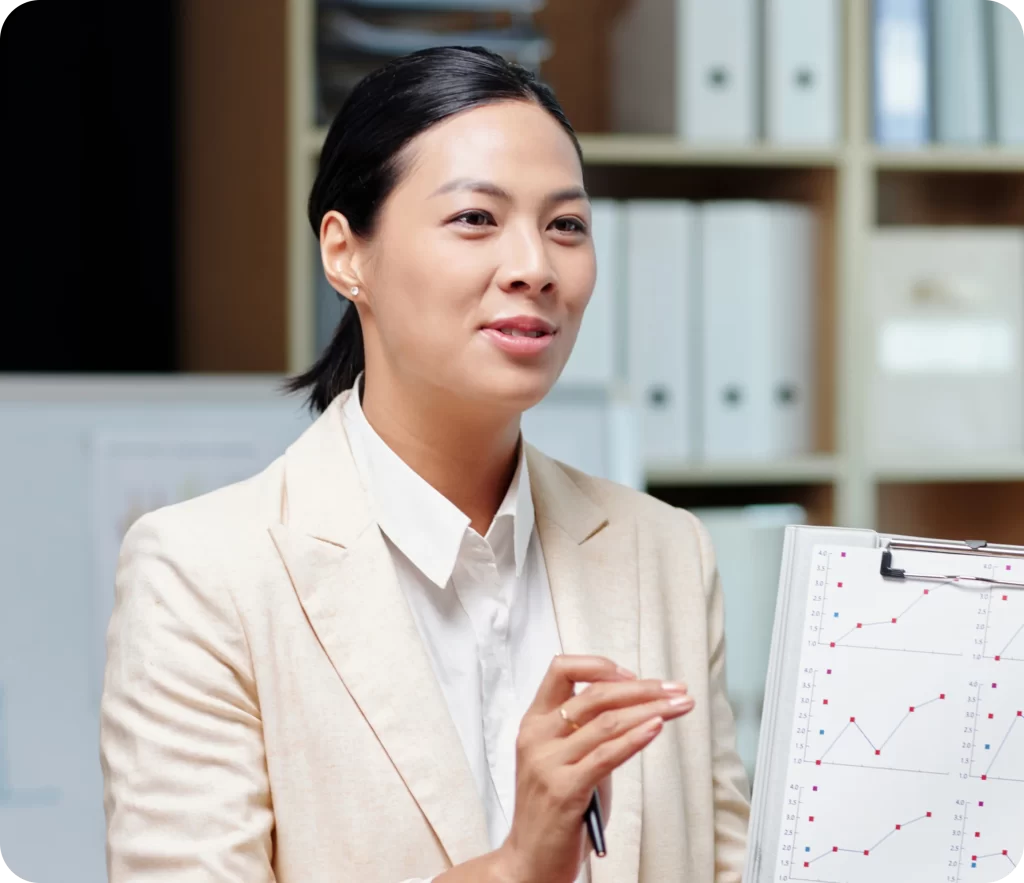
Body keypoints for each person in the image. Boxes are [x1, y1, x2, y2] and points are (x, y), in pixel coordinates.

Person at [99, 46, 750, 883]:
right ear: (346, 255)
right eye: (476, 218)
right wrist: (515, 867)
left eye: (567, 225)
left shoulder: (664, 550)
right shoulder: (202, 572)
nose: (535, 268)